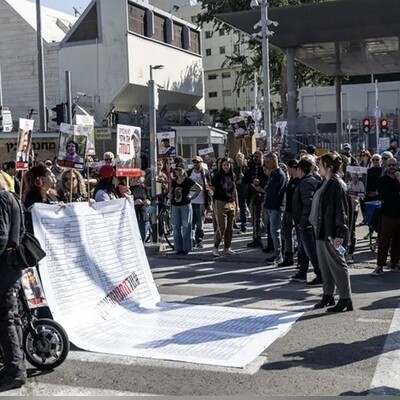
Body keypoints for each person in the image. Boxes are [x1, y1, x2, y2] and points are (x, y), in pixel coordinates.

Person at [310, 152, 353, 312]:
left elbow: (341, 212)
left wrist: (340, 235)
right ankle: (328, 295)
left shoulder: (337, 185)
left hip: (332, 232)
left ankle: (345, 298)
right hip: (321, 230)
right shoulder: (325, 182)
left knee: (337, 265)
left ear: (328, 167)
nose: (318, 168)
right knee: (325, 266)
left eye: (320, 165)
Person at [0, 181, 27, 390]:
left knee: (5, 318)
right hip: (12, 265)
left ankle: (14, 371)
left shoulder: (1, 199)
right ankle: (18, 365)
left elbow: (0, 237)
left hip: (4, 267)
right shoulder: (12, 197)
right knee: (13, 316)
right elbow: (21, 230)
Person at [292, 158, 322, 284]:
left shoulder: (306, 183)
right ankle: (302, 272)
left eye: (298, 169)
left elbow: (308, 204)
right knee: (304, 249)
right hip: (305, 222)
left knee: (311, 250)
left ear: (302, 170)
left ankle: (320, 274)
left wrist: (304, 223)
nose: (296, 171)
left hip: (307, 224)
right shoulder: (308, 181)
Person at [371, 158, 400, 276]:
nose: (392, 167)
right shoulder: (383, 180)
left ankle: (394, 262)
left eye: (394, 165)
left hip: (399, 215)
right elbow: (384, 195)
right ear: (386, 167)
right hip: (387, 214)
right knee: (384, 242)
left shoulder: (399, 179)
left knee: (398, 241)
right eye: (390, 165)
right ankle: (380, 265)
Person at [170, 163, 201, 255]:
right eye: (176, 170)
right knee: (176, 227)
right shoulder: (174, 181)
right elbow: (171, 191)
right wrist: (170, 195)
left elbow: (199, 188)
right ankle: (178, 247)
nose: (178, 172)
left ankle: (186, 247)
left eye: (180, 170)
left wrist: (192, 197)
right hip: (175, 205)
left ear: (183, 170)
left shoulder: (188, 180)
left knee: (186, 226)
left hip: (185, 205)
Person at [210, 158, 238, 256]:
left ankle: (227, 248)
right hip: (220, 202)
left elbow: (235, 191)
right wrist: (210, 191)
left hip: (231, 202)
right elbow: (213, 188)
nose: (226, 166)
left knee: (230, 228)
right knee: (222, 226)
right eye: (224, 165)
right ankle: (215, 247)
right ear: (221, 166)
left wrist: (237, 205)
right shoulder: (217, 176)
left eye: (228, 165)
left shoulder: (232, 175)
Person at [264, 152, 287, 265]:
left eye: (268, 162)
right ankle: (276, 252)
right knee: (273, 232)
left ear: (274, 161)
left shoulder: (280, 175)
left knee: (276, 232)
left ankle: (278, 254)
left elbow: (274, 191)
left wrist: (267, 189)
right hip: (270, 206)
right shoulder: (273, 174)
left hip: (276, 207)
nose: (266, 164)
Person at [188, 156, 212, 249]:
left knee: (200, 223)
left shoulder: (205, 173)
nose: (195, 164)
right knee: (191, 222)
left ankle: (199, 240)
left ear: (201, 163)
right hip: (191, 200)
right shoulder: (189, 173)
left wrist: (209, 203)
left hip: (201, 201)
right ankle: (192, 239)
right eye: (194, 162)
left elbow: (209, 186)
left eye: (197, 162)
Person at [130, 173, 151, 241]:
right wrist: (134, 203)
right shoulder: (128, 189)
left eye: (139, 178)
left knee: (142, 238)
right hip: (134, 216)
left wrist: (147, 201)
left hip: (143, 215)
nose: (138, 180)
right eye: (137, 178)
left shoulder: (143, 187)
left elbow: (149, 198)